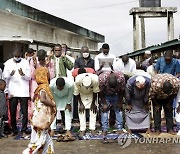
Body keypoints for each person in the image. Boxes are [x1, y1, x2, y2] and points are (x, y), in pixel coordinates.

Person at [23, 67, 56, 154]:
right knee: (37, 142)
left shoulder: (38, 88)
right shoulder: (43, 88)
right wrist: (53, 104)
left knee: (47, 142)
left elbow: (35, 100)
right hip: (41, 120)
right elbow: (43, 99)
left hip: (39, 118)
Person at [3, 48, 31, 136]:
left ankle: (24, 129)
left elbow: (29, 77)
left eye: (19, 56)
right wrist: (10, 74)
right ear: (13, 54)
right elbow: (4, 77)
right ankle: (14, 129)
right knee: (13, 111)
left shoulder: (26, 63)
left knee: (24, 111)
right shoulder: (8, 63)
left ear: (21, 55)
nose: (17, 57)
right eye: (16, 56)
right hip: (13, 90)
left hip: (23, 90)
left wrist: (23, 74)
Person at [98, 71, 125, 136]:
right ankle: (104, 129)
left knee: (118, 109)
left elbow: (122, 90)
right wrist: (104, 103)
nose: (112, 88)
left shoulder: (121, 78)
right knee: (104, 111)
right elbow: (100, 92)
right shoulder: (102, 79)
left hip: (116, 94)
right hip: (105, 94)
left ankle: (120, 128)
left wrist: (119, 101)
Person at [74, 72, 100, 136]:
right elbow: (76, 93)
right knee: (81, 111)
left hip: (91, 93)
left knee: (93, 110)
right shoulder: (77, 80)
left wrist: (93, 103)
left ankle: (92, 128)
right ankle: (82, 129)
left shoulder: (95, 79)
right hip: (81, 93)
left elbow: (95, 92)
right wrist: (81, 104)